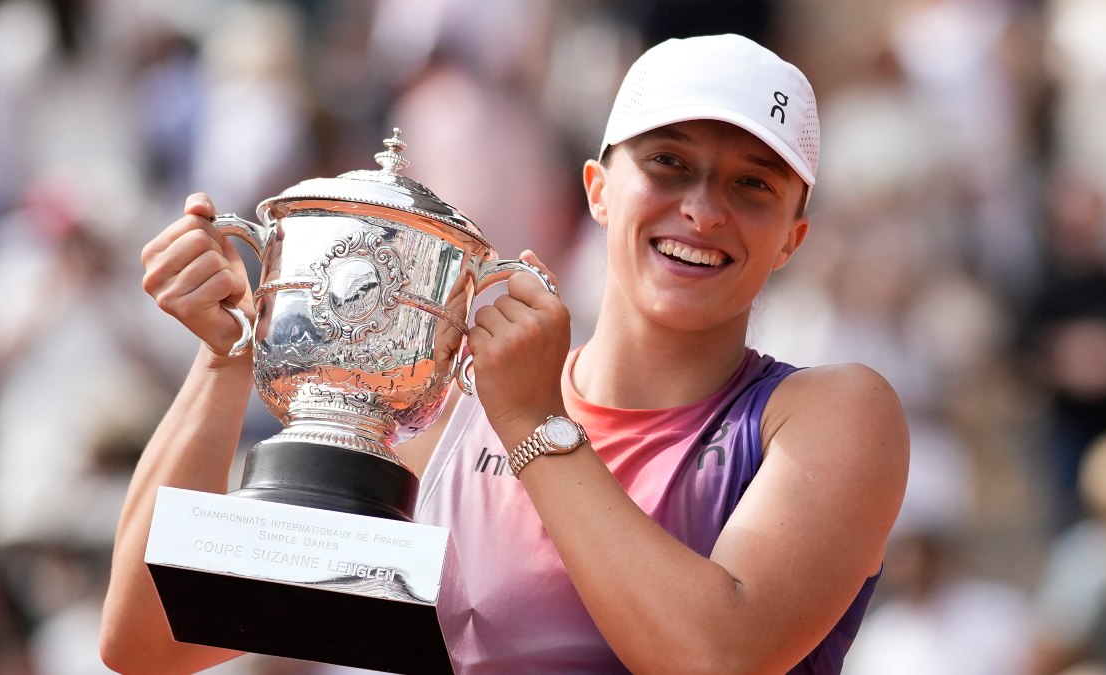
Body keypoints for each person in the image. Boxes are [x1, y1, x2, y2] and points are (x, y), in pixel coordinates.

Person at [101, 34, 909, 674]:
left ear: (793, 238)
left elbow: (715, 656)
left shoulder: (834, 413)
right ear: (597, 189)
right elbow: (149, 640)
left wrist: (532, 422)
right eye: (669, 163)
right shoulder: (444, 411)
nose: (702, 210)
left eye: (752, 184)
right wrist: (228, 353)